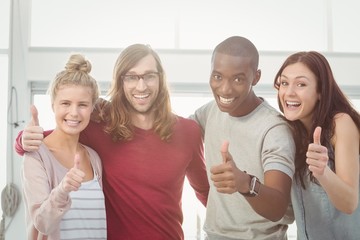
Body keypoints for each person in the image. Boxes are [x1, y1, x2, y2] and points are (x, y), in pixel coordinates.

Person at [16, 44, 209, 240]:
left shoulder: (188, 132)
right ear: (120, 81)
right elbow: (63, 133)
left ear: (160, 78)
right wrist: (23, 140)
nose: (141, 86)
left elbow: (207, 193)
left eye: (149, 75)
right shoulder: (102, 127)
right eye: (132, 77)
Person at [191, 36, 296, 239]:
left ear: (255, 77)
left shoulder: (275, 129)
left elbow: (278, 208)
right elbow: (174, 130)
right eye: (218, 77)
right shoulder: (211, 111)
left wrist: (246, 183)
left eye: (238, 79)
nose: (225, 89)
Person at [273, 51, 360, 239]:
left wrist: (323, 172)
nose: (289, 92)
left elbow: (350, 203)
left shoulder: (341, 123)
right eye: (284, 83)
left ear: (320, 91)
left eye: (301, 84)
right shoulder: (289, 132)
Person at [21, 54, 106, 240]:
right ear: (53, 105)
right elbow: (42, 223)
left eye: (82, 104)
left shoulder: (93, 158)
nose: (74, 113)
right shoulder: (36, 156)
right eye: (65, 103)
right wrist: (63, 189)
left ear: (92, 108)